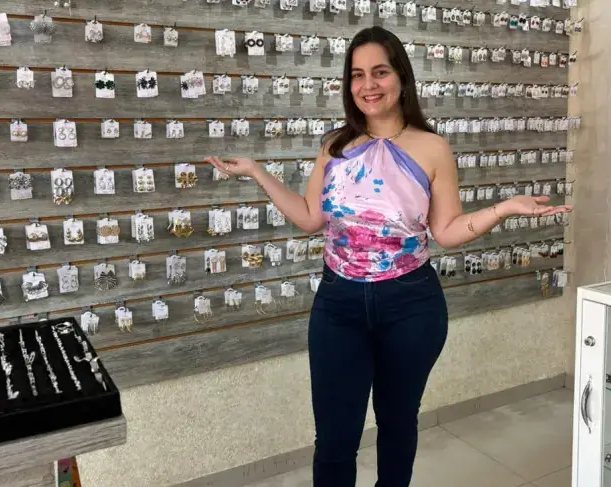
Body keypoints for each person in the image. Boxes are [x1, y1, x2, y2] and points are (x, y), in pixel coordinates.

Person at [206, 26, 572, 487]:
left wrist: (502, 209)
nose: (368, 85)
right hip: (339, 304)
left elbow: (446, 231)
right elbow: (309, 217)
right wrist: (258, 172)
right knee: (334, 440)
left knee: (398, 425)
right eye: (357, 75)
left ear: (401, 76)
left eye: (380, 72)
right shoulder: (335, 147)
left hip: (411, 304)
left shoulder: (432, 147)